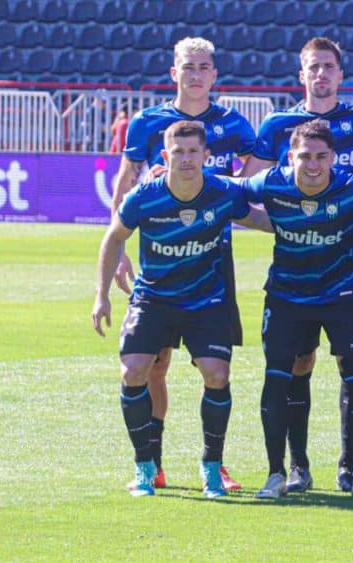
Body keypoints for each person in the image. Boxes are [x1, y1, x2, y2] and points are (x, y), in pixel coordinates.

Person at [92, 121, 271, 498]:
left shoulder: (222, 193)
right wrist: (102, 295)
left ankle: (210, 467)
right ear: (165, 155)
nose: (187, 159)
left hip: (204, 302)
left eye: (194, 152)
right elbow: (113, 238)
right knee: (134, 371)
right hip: (153, 299)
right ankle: (145, 467)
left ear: (206, 156)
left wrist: (310, 221)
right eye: (179, 151)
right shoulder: (144, 197)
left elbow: (256, 218)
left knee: (216, 375)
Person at [111, 36, 256, 493]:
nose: (195, 74)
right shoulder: (148, 122)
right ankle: (150, 461)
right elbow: (126, 180)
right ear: (174, 73)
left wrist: (216, 180)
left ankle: (215, 462)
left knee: (214, 366)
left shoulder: (233, 124)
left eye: (203, 67)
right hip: (160, 254)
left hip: (213, 255)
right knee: (154, 365)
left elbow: (250, 181)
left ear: (215, 75)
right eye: (187, 67)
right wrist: (120, 252)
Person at [243, 37, 353, 494]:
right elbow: (248, 188)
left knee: (352, 365)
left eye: (328, 66)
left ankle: (351, 468)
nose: (321, 74)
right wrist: (281, 224)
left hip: (350, 265)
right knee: (298, 363)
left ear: (341, 74)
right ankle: (297, 466)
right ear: (301, 74)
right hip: (297, 266)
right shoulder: (279, 124)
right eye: (313, 67)